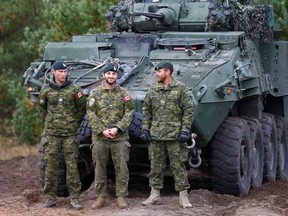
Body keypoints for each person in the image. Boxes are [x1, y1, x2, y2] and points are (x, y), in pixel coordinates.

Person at [140, 60, 194, 208]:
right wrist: (145, 129)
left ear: (168, 72)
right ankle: (155, 194)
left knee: (178, 166)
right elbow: (146, 111)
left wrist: (185, 130)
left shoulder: (181, 89)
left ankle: (183, 196)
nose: (156, 74)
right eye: (156, 72)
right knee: (156, 166)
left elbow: (188, 111)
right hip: (156, 135)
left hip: (175, 136)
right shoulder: (153, 90)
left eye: (159, 71)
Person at [38, 61, 86, 209]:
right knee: (51, 167)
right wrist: (50, 123)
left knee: (72, 167)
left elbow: (82, 108)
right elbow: (42, 110)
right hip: (52, 135)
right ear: (54, 72)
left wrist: (73, 124)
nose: (63, 74)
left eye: (65, 72)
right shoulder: (46, 90)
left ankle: (75, 198)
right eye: (60, 72)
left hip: (69, 135)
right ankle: (50, 197)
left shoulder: (74, 89)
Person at [87, 63, 134, 209]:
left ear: (116, 76)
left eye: (113, 74)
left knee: (122, 167)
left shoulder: (123, 93)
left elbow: (129, 112)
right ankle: (101, 197)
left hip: (119, 137)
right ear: (103, 75)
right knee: (99, 167)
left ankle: (121, 196)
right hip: (100, 137)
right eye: (108, 74)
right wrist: (102, 130)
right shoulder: (95, 93)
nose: (111, 76)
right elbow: (91, 113)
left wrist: (117, 128)